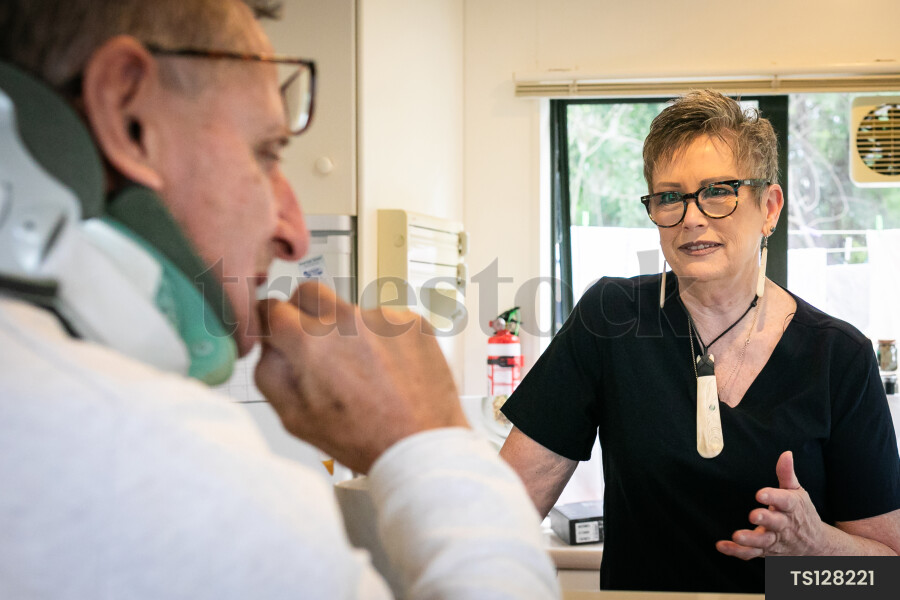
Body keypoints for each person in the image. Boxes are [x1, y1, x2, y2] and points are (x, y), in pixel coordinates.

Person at [0, 1, 559, 598]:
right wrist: (428, 441)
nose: (294, 232)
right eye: (266, 151)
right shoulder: (148, 457)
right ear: (125, 108)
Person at [499, 89, 900, 593]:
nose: (691, 216)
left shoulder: (837, 356)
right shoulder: (612, 318)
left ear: (769, 208)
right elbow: (506, 511)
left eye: (718, 191)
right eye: (669, 196)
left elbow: (884, 577)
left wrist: (816, 544)